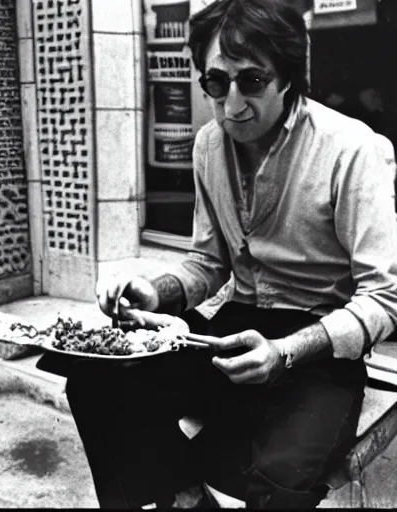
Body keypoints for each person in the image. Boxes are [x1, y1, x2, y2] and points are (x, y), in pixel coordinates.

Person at [66, 0, 397, 508]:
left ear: (289, 78)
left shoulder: (352, 148)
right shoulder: (207, 146)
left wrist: (286, 352)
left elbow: (384, 298)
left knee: (277, 478)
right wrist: (154, 291)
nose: (231, 105)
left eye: (252, 81)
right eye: (216, 84)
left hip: (320, 343)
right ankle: (184, 498)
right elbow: (208, 264)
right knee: (95, 381)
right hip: (235, 326)